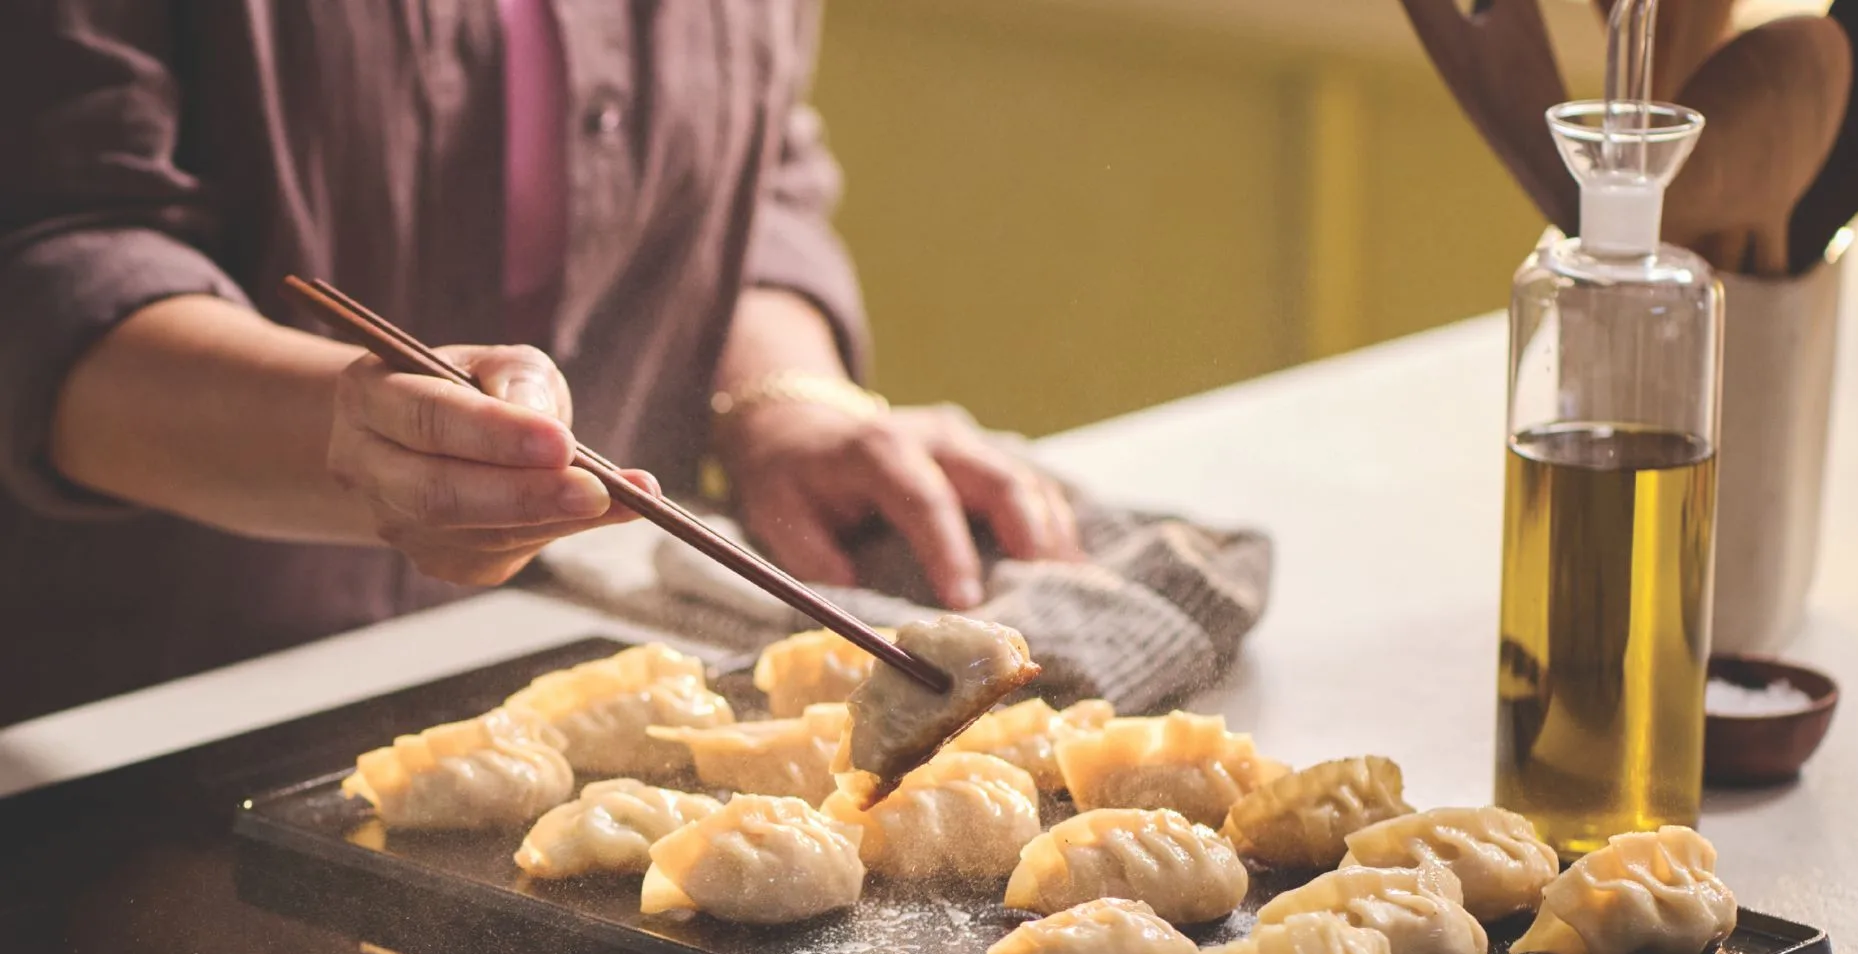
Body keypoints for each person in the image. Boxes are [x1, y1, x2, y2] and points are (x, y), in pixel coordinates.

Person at [0, 2, 1080, 728]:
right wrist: (358, 443)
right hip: (138, 732)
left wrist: (784, 400)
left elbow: (751, 175)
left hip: (585, 699)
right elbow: (51, 260)